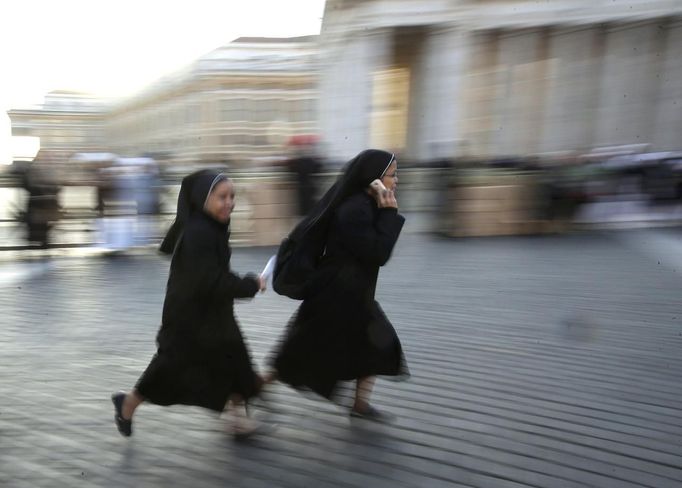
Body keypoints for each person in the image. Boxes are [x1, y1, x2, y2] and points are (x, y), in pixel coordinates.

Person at [111, 169, 267, 439]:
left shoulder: (210, 226)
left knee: (236, 359)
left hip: (211, 314)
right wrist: (250, 285)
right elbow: (213, 281)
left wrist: (245, 284)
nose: (229, 202)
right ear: (204, 199)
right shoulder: (199, 233)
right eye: (222, 197)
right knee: (170, 369)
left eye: (232, 196)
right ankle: (128, 403)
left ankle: (236, 419)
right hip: (191, 319)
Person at [267, 149, 408, 421]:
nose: (396, 180)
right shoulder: (353, 210)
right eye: (392, 175)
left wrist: (384, 209)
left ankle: (360, 405)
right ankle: (252, 388)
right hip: (335, 295)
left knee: (378, 345)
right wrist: (390, 213)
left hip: (353, 294)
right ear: (374, 179)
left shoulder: (366, 204)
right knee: (296, 356)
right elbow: (379, 253)